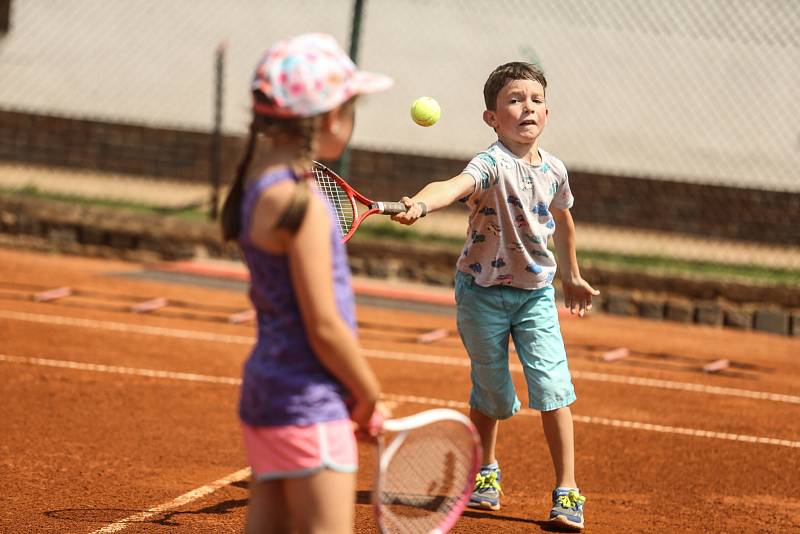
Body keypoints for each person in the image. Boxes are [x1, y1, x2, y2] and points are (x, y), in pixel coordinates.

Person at [391, 61, 598, 531]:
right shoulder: (490, 164)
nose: (527, 107)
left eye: (535, 100)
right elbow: (452, 186)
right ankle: (486, 472)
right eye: (514, 99)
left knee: (553, 389)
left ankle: (567, 490)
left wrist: (571, 274)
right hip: (480, 293)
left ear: (547, 112)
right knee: (491, 392)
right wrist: (422, 203)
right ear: (492, 117)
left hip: (535, 296)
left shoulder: (556, 170)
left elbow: (563, 221)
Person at [220, 33, 392, 534]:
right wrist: (368, 391)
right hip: (310, 402)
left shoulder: (259, 190)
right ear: (331, 118)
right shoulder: (305, 204)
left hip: (267, 396)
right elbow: (324, 325)